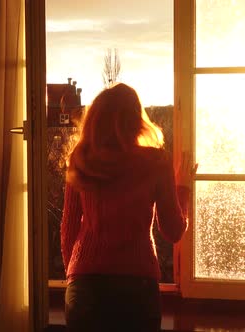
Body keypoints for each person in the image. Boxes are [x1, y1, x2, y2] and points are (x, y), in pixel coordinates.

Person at [61, 83, 197, 331]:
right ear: (136, 119)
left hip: (84, 290)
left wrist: (75, 278)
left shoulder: (80, 160)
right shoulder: (156, 162)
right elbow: (173, 230)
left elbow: (68, 231)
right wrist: (183, 188)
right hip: (136, 288)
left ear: (95, 120)